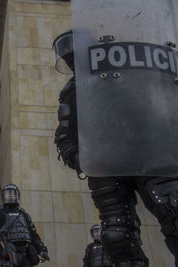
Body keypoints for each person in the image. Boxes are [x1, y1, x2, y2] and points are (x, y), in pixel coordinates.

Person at [53, 29, 178, 267]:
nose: (71, 60)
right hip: (106, 165)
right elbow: (65, 137)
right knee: (117, 237)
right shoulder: (73, 90)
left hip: (150, 154)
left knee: (173, 213)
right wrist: (83, 159)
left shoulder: (130, 70)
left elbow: (160, 104)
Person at [0, 184, 50, 266]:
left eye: (13, 194)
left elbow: (34, 236)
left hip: (24, 256)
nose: (11, 197)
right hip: (4, 255)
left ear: (17, 196)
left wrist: (42, 250)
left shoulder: (24, 215)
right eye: (8, 194)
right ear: (4, 196)